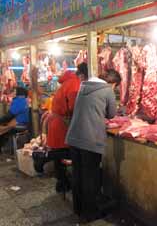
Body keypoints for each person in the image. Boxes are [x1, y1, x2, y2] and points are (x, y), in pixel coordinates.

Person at [65, 69, 121, 221]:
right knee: (90, 177)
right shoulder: (107, 90)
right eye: (116, 87)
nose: (115, 90)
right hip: (90, 139)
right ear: (113, 83)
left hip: (74, 137)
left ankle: (78, 209)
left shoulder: (84, 87)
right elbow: (111, 114)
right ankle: (89, 214)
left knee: (78, 174)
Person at [33, 63, 88, 193]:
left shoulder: (69, 81)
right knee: (68, 151)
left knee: (60, 154)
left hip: (57, 121)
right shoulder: (75, 84)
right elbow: (74, 107)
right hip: (62, 123)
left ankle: (62, 184)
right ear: (83, 75)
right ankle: (44, 157)